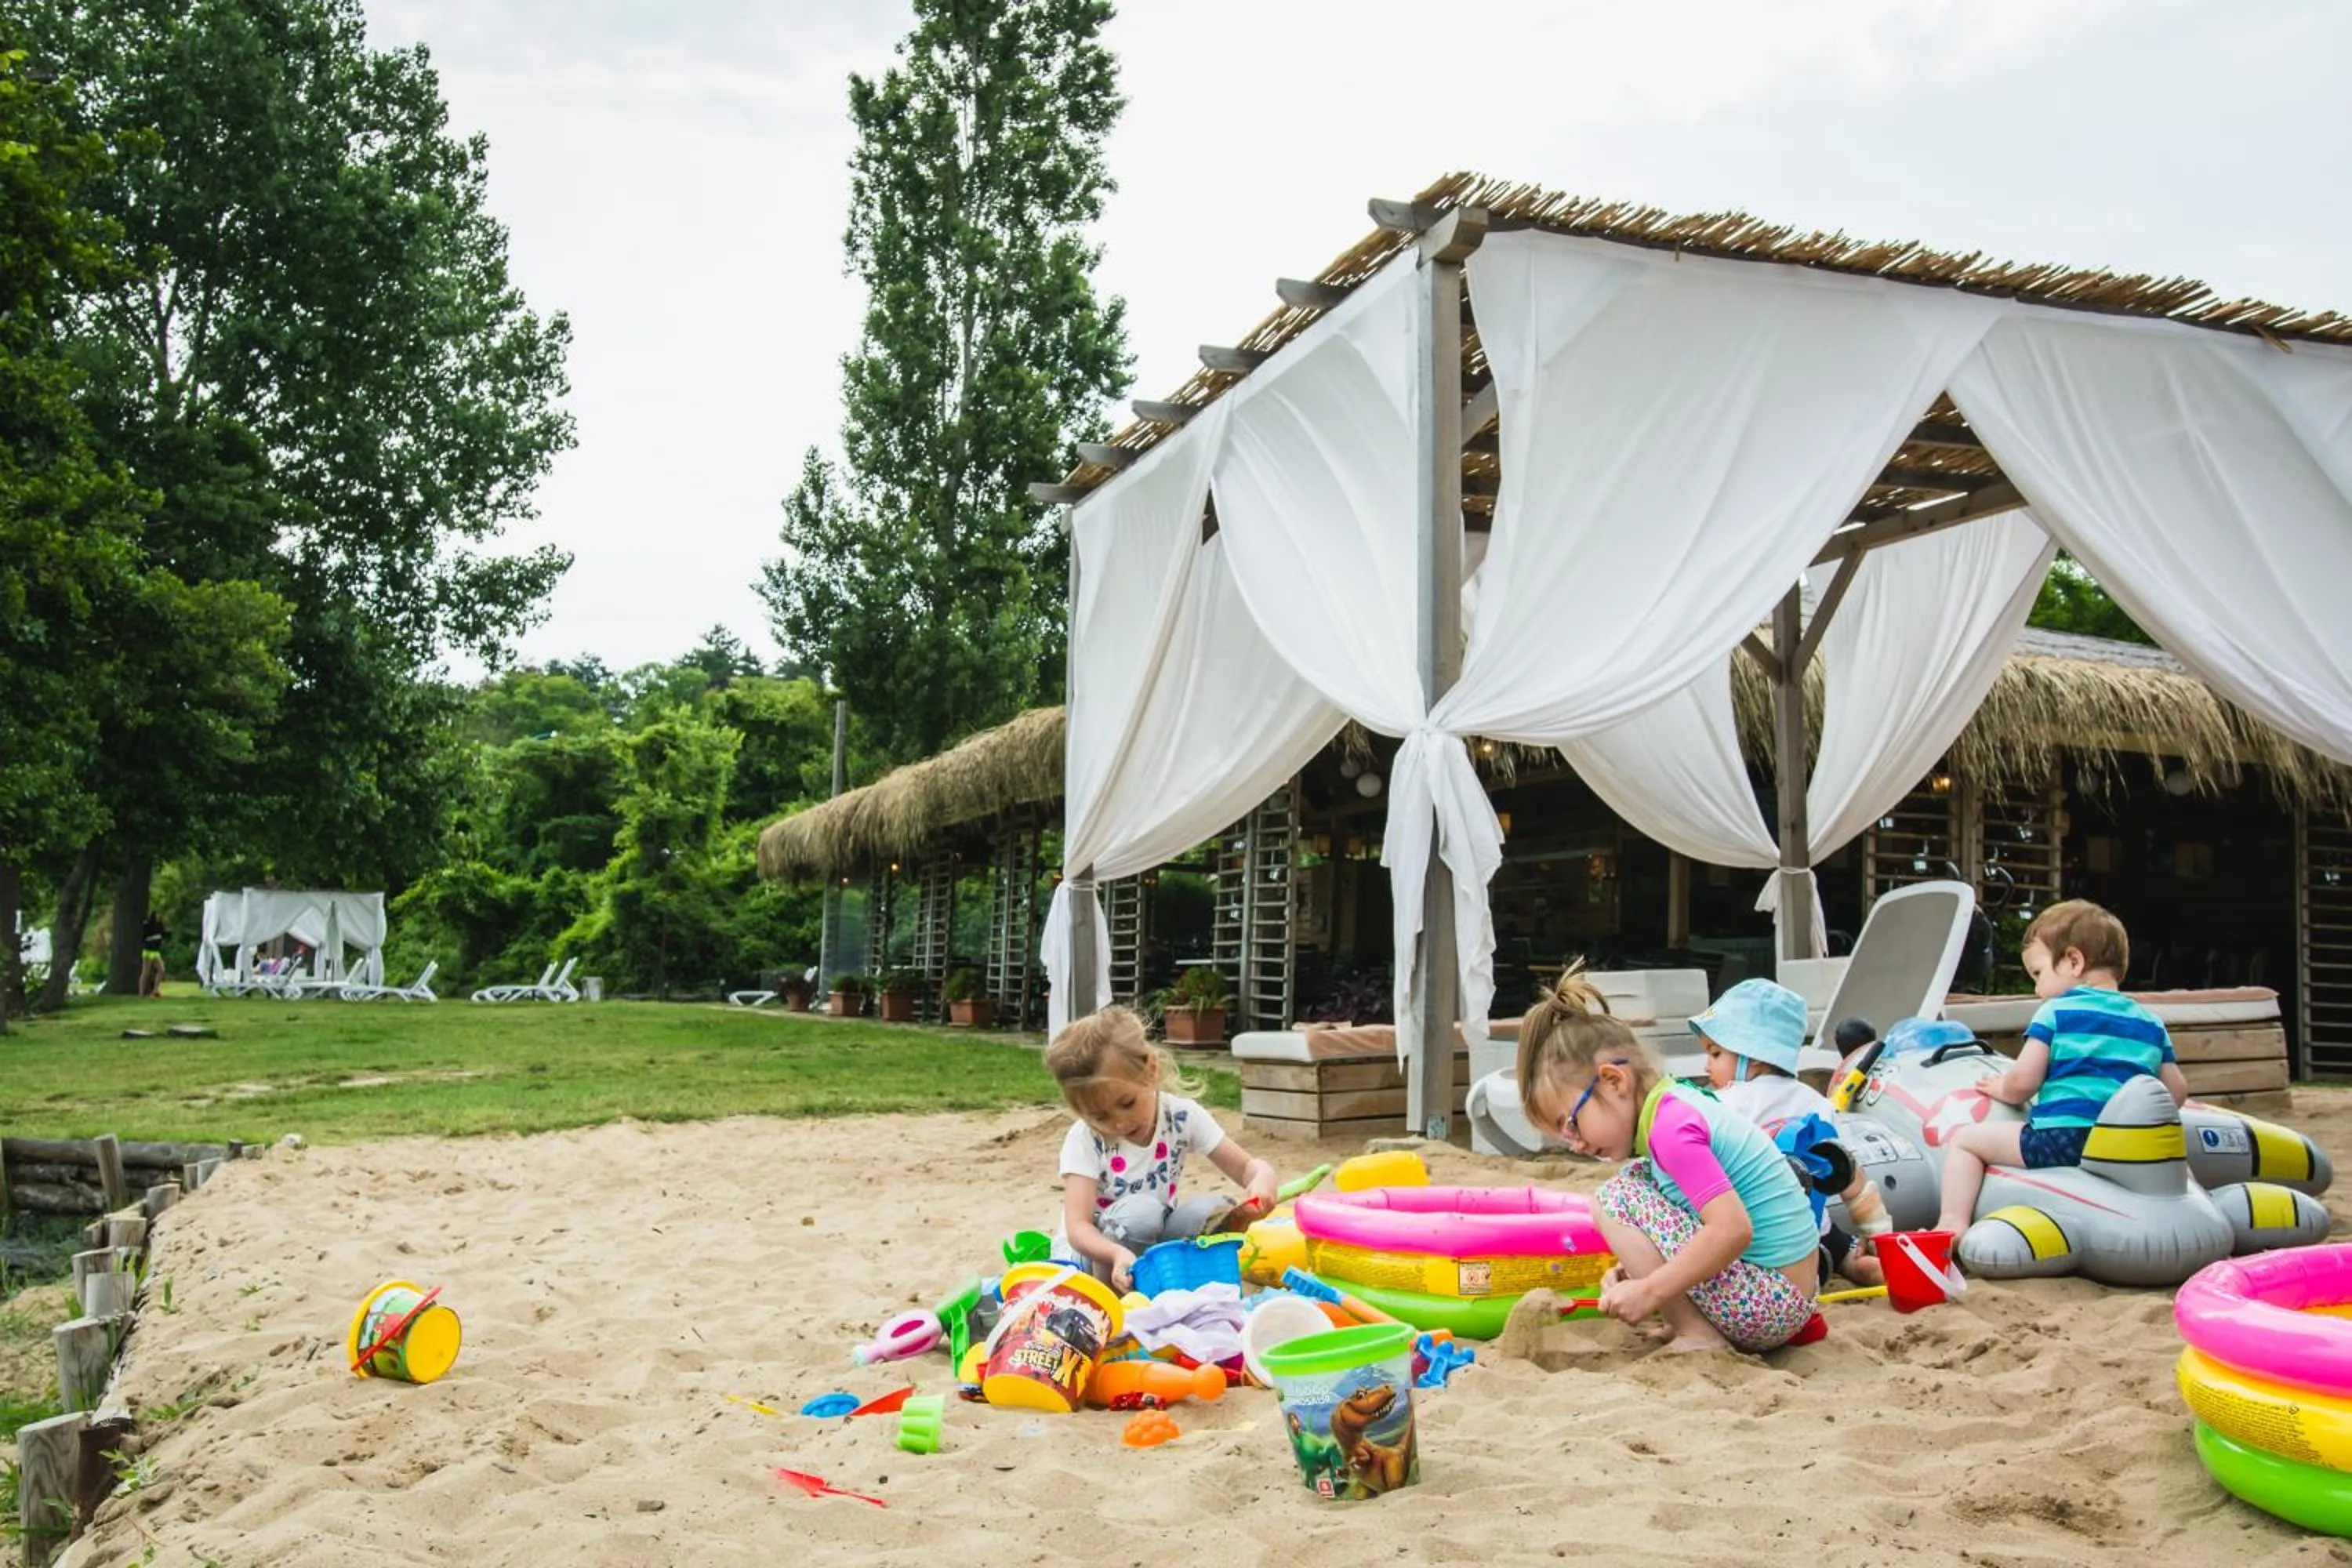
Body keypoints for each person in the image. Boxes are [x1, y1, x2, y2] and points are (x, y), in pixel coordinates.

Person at [1517, 964, 1820, 1353]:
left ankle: (1696, 1333)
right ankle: (1688, 1323)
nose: (1574, 1143)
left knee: (1616, 1198)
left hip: (1771, 1303)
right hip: (1784, 1294)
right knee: (1636, 1181)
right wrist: (1635, 1270)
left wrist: (1650, 1290)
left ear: (1614, 1081)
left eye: (1572, 1123)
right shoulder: (1673, 1106)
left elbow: (1732, 1230)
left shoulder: (1671, 1129)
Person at [1933, 898, 2190, 1237]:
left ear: (2074, 961)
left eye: (2038, 974)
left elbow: (2023, 1083)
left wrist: (2000, 1088)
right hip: (2122, 1146)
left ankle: (1952, 1223)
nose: (2038, 990)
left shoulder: (2057, 1012)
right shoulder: (2150, 1022)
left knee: (1966, 1141)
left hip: (2062, 1141)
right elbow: (2176, 1093)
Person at [1047, 1005, 1278, 1292]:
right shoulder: (1086, 1138)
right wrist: (1114, 1253)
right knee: (1141, 1214)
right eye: (1101, 1116)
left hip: (1153, 1239)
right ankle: (1113, 1302)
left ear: (1151, 1070)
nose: (1119, 1123)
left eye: (1127, 1103)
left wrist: (1263, 1178)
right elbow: (1078, 1227)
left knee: (1213, 1211)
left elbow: (1246, 1168)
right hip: (1097, 1257)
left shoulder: (1180, 1116)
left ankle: (1174, 1288)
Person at [1692, 978, 1888, 1289]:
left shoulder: (1721, 1106)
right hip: (1818, 1242)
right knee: (1844, 1242)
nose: (1706, 1066)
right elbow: (1848, 1176)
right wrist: (1877, 1231)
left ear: (1752, 1056)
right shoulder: (1818, 1103)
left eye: (1715, 1054)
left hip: (1762, 1255)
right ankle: (1868, 1262)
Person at [138, 910, 168, 998]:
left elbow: (164, 935)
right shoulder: (147, 926)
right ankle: (141, 993)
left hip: (156, 952)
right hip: (148, 951)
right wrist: (154, 938)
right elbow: (144, 938)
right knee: (145, 972)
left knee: (161, 970)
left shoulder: (159, 926)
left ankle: (155, 990)